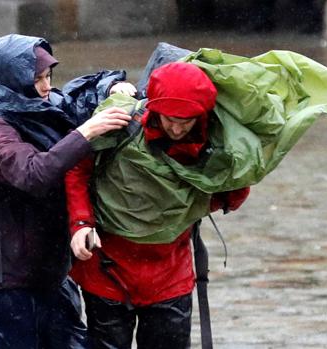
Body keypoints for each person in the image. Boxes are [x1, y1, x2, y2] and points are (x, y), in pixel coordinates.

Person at [0, 34, 132, 349]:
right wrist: (87, 131)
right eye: (37, 79)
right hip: (8, 281)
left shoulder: (46, 105)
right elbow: (33, 174)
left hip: (54, 272)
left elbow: (78, 94)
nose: (45, 87)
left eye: (48, 76)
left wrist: (111, 88)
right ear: (13, 81)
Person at [65, 62, 250, 348]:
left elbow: (231, 192)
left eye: (185, 121)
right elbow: (76, 166)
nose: (176, 128)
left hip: (169, 273)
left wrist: (180, 208)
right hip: (109, 268)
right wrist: (81, 223)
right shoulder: (122, 124)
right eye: (169, 119)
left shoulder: (216, 145)